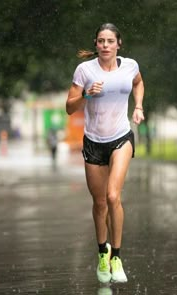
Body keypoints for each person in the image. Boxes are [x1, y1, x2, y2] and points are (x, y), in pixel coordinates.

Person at [66, 23, 145, 283]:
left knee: (113, 196)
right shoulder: (84, 70)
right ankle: (103, 252)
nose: (105, 45)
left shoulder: (130, 66)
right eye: (101, 41)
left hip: (121, 137)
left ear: (119, 44)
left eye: (110, 41)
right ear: (96, 44)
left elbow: (138, 82)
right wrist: (87, 95)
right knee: (100, 203)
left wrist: (138, 106)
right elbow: (69, 107)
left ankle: (117, 257)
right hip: (93, 142)